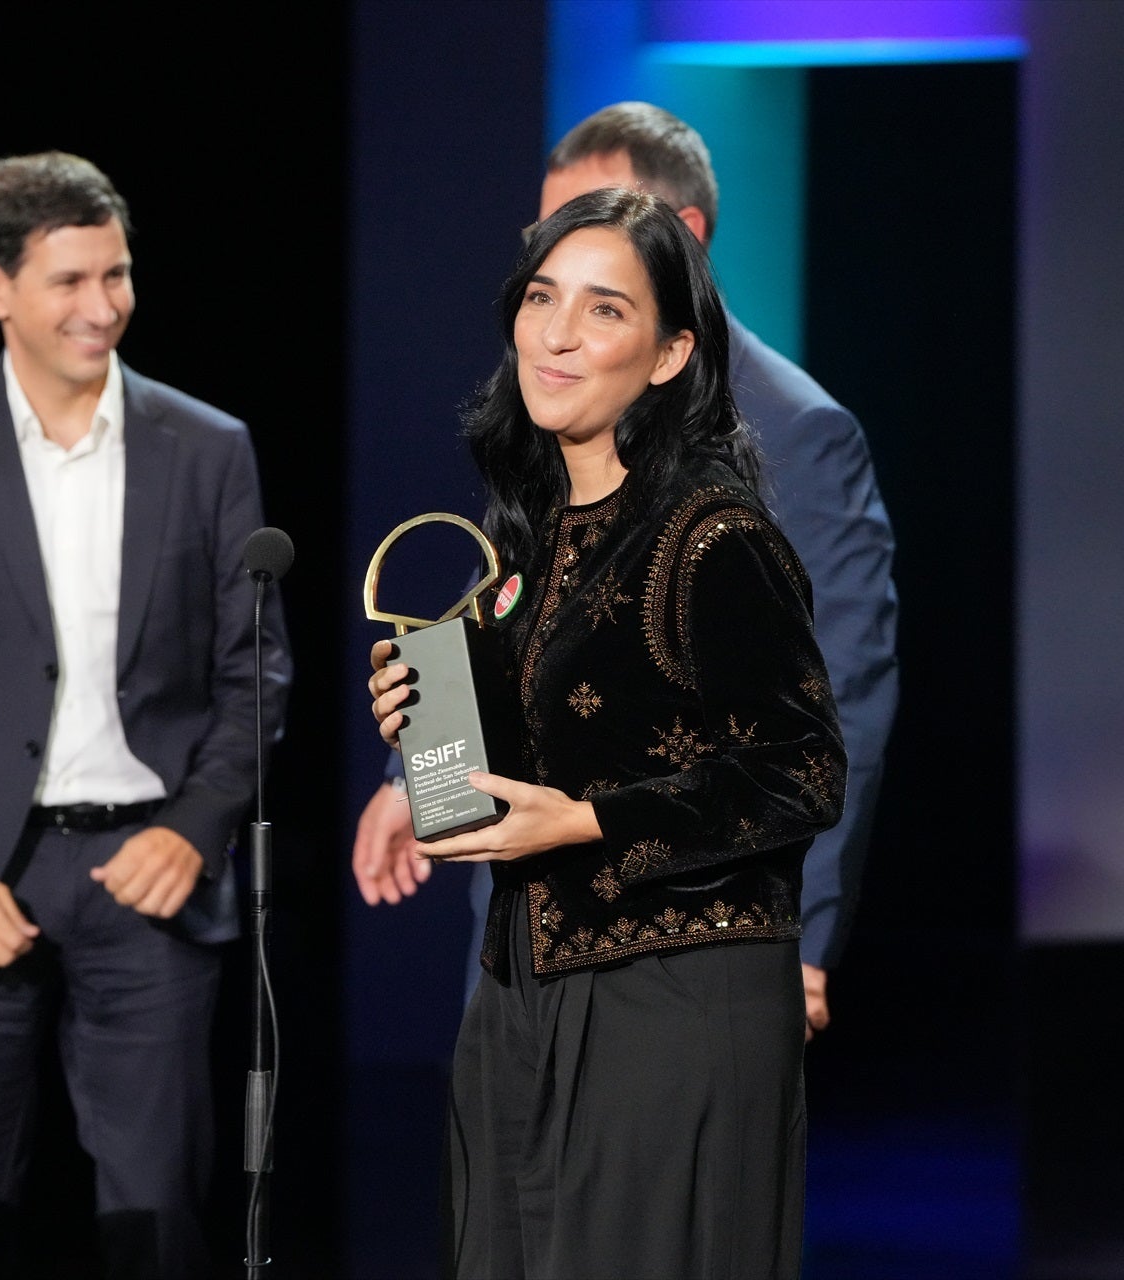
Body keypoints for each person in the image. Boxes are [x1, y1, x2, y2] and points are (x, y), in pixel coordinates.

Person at [366, 186, 847, 1278]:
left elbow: (802, 769)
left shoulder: (714, 539)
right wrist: (426, 728)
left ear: (672, 352)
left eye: (603, 310)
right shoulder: (527, 545)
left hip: (674, 1001)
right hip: (523, 993)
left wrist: (584, 821)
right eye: (542, 299)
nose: (556, 334)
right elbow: (549, 749)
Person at [0, 150, 290, 1279]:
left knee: (160, 1220)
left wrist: (194, 827)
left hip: (151, 878)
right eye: (71, 282)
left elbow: (256, 671)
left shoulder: (210, 446)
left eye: (118, 276)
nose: (104, 308)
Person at [354, 101, 898, 1038]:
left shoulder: (798, 431)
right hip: (522, 925)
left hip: (677, 941)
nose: (556, 316)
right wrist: (419, 773)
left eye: (593, 230)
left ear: (676, 238)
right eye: (542, 255)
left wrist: (806, 942)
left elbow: (829, 701)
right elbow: (522, 626)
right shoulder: (542, 423)